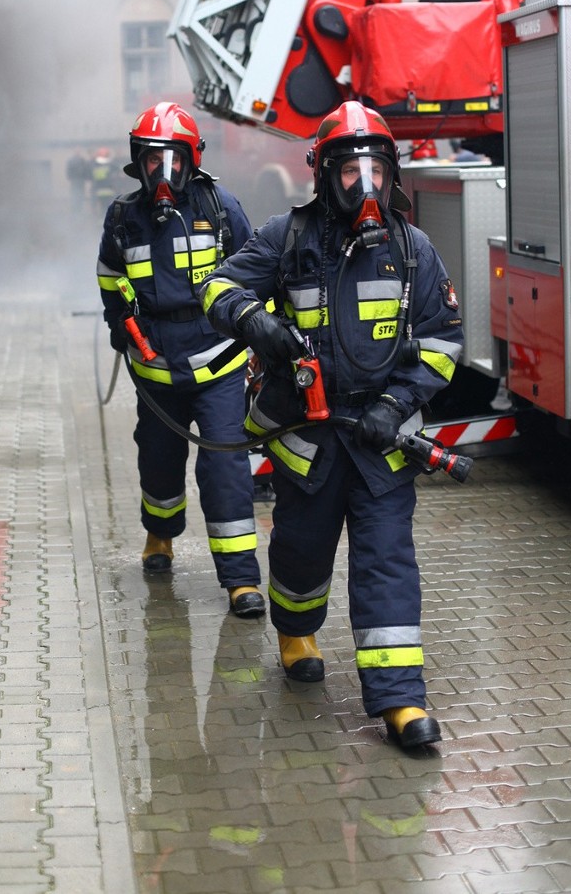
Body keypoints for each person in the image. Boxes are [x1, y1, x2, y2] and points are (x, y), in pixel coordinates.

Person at [197, 101, 463, 748]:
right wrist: (253, 320)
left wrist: (395, 405)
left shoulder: (412, 248)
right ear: (324, 174)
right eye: (350, 171)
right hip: (307, 441)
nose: (364, 185)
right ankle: (295, 631)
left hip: (381, 444)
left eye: (376, 168)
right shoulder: (285, 238)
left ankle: (401, 701)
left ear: (392, 172)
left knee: (388, 564)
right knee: (299, 554)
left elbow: (442, 342)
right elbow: (216, 289)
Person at [96, 101, 265, 617]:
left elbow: (258, 271)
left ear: (192, 158)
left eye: (172, 158)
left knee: (226, 468)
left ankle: (240, 580)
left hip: (218, 363)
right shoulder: (125, 216)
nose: (162, 172)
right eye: (151, 159)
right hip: (155, 368)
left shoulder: (220, 207)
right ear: (138, 161)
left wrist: (262, 338)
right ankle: (160, 536)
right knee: (159, 461)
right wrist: (118, 315)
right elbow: (109, 273)